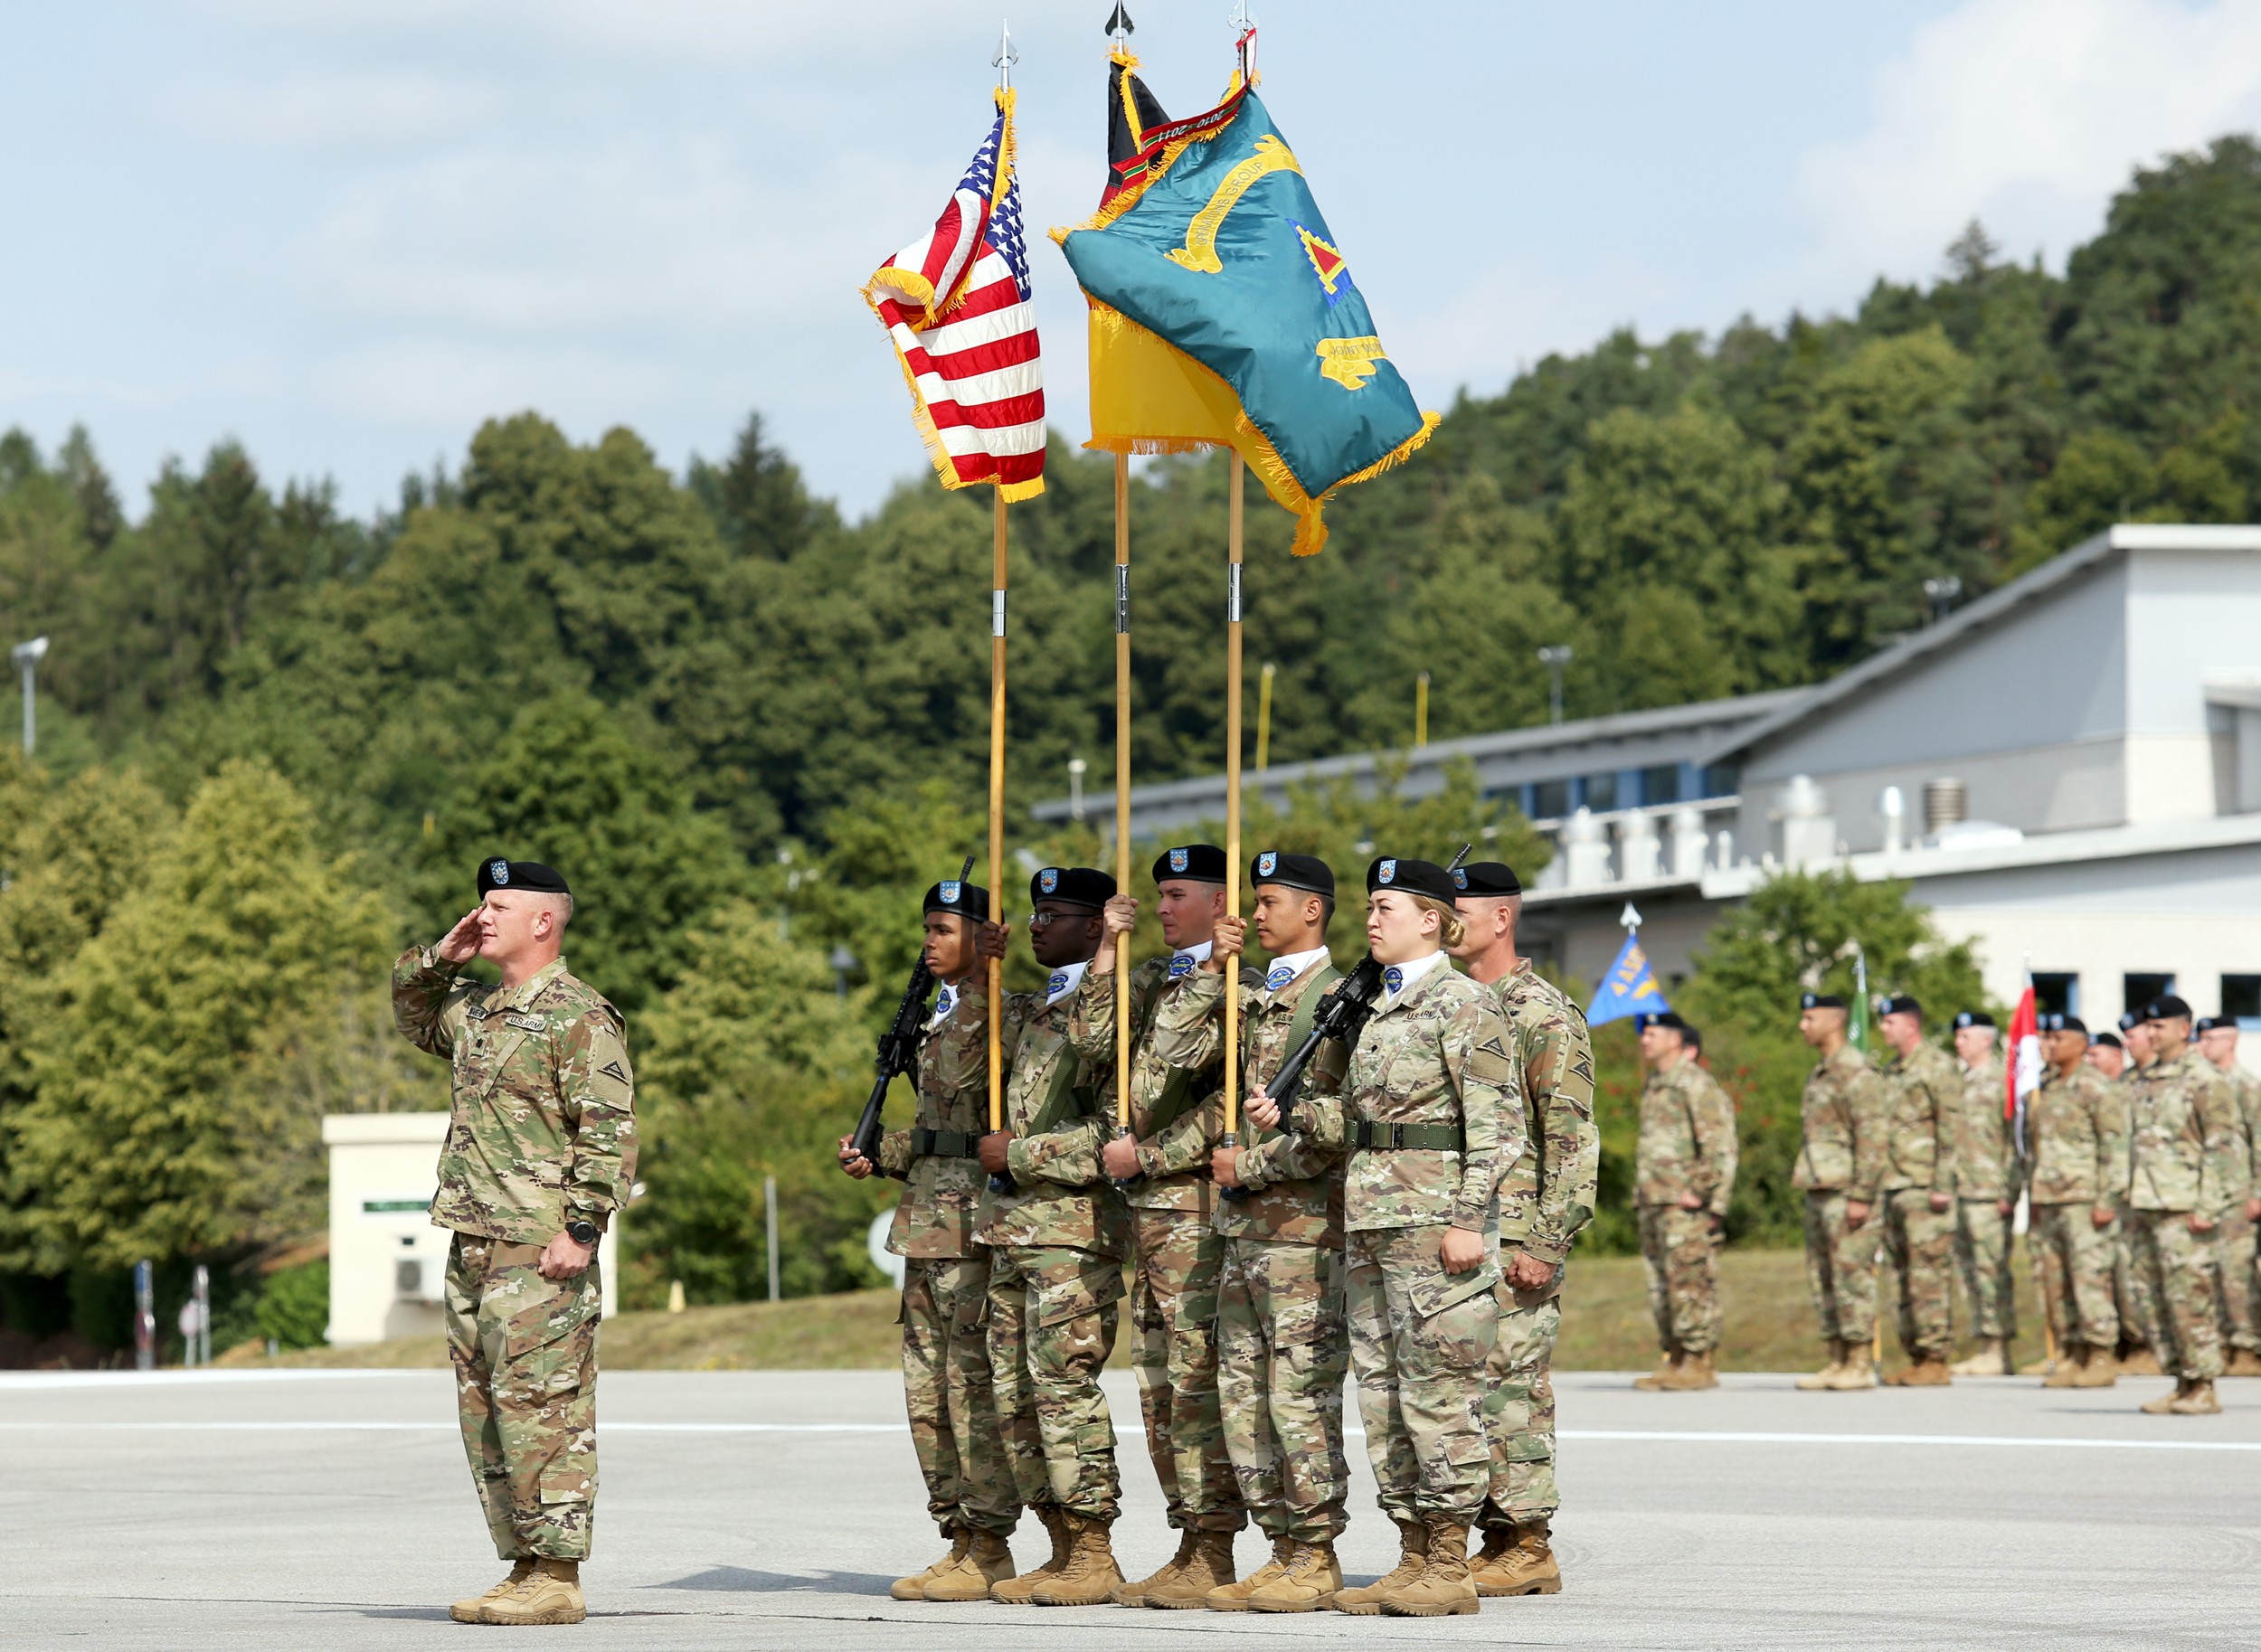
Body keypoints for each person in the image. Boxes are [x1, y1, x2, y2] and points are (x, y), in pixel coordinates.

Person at [1268, 855, 1522, 1619]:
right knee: (1382, 1395)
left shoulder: (1464, 1004)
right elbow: (1359, 1121)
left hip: (1436, 1225)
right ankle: (1413, 1549)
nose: (1372, 920)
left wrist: (1467, 1220)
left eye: (1386, 906)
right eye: (1372, 907)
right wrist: (1291, 1115)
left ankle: (1449, 1559)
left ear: (1432, 919)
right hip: (1373, 1223)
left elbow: (1498, 1127)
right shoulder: (1375, 1008)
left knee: (1441, 1392)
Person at [393, 857, 634, 1628]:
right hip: (473, 1241)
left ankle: (558, 1572)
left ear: (545, 921)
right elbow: (410, 1010)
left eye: (499, 904)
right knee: (489, 1414)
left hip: (539, 1248)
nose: (483, 914)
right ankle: (524, 1564)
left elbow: (610, 1132)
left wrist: (583, 1229)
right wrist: (441, 956)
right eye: (479, 904)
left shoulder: (580, 1015)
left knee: (546, 1407)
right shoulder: (480, 1010)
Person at [1151, 850, 1351, 1613]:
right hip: (1240, 1232)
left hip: (1302, 1232)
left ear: (1312, 910)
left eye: (1269, 901)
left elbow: (1345, 1129)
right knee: (1245, 1394)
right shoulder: (1247, 994)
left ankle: (1315, 1548)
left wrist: (1255, 1166)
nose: (1256, 913)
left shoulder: (1337, 1000)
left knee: (1298, 1393)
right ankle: (1279, 1544)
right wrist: (1212, 971)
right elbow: (1168, 1060)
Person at [1068, 844, 1244, 1608]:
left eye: (1176, 895)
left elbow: (1216, 1096)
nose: (1162, 908)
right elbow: (1092, 1051)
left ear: (1217, 901)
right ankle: (1188, 1536)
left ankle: (1214, 1543)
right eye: (1158, 895)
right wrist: (1106, 949)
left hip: (1197, 1206)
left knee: (1199, 1379)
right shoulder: (1149, 974)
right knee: (1159, 1387)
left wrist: (1151, 1152)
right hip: (1147, 1209)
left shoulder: (1239, 979)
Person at [837, 878, 1021, 1602]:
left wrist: (989, 974)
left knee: (968, 1386)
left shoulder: (997, 1010)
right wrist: (877, 1150)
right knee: (926, 1393)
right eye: (928, 930)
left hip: (975, 1224)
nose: (930, 941)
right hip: (926, 1221)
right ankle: (960, 1535)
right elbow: (932, 1130)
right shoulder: (933, 1016)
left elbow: (987, 1092)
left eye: (945, 929)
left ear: (981, 936)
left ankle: (990, 1538)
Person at [972, 866, 1132, 1604]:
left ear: (1095, 925)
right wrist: (983, 960)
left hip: (1071, 1230)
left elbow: (1114, 1126)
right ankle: (1060, 1543)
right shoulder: (1032, 1008)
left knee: (1064, 1388)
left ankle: (1095, 1546)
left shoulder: (1114, 1004)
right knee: (1013, 1393)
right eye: (1034, 913)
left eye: (1054, 913)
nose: (1036, 925)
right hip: (1012, 1231)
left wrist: (1025, 1155)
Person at [1446, 860, 1596, 1597]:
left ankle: (1530, 1542)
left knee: (1513, 1386)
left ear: (1501, 917)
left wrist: (1547, 1243)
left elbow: (1571, 1138)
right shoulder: (1454, 1004)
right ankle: (1498, 1534)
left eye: (1462, 907)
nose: (1448, 918)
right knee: (1471, 1389)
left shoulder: (1540, 1011)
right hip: (1466, 1234)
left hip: (1517, 1239)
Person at [2124, 996, 2243, 1415]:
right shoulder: (2143, 1079)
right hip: (2144, 1203)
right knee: (2151, 1299)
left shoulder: (2205, 1079)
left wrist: (2208, 1207)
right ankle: (2180, 1381)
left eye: (2161, 1027)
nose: (2152, 1033)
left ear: (2182, 1028)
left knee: (2189, 1299)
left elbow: (2222, 1146)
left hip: (2184, 1207)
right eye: (2149, 1027)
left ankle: (2204, 1385)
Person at [1630, 1011, 1736, 1392]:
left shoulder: (1695, 1083)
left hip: (1685, 1204)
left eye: (1653, 1033)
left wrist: (1705, 1195)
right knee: (1661, 1283)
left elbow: (1719, 1144)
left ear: (1676, 1039)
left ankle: (1699, 1360)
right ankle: (1675, 1357)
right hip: (1656, 1199)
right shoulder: (1657, 1084)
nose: (1645, 1040)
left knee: (1690, 1280)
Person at [1791, 993, 1887, 1392]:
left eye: (1809, 1017)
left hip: (1848, 1190)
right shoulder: (1822, 1072)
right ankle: (1837, 1357)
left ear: (1834, 1022)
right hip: (1820, 1186)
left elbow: (1873, 1136)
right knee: (1824, 1277)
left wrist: (1863, 1194)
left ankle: (1861, 1361)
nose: (1802, 1025)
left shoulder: (1857, 1073)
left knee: (1853, 1275)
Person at [2024, 1014, 2127, 1387]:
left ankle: (2100, 1354)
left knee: (2090, 1278)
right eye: (2046, 1038)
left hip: (2085, 1199)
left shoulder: (2096, 1087)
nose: (2049, 1044)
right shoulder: (2045, 1087)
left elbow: (2115, 1146)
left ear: (2082, 1044)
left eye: (2057, 1038)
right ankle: (2073, 1351)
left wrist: (2107, 1198)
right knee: (2056, 1281)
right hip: (2049, 1196)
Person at [1874, 996, 1962, 1385]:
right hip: (1893, 1183)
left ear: (1912, 1025)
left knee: (1928, 1274)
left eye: (1890, 1022)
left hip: (1925, 1185)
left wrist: (1943, 1183)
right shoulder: (1891, 1070)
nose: (1883, 1029)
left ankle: (1935, 1357)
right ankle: (1915, 1353)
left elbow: (1952, 1127)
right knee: (1901, 1275)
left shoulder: (1937, 1067)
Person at [1946, 1010, 2019, 1376]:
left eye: (1964, 1037)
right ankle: (1981, 1343)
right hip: (1959, 1188)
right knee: (1967, 1271)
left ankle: (1998, 1347)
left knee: (1992, 1271)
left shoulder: (2002, 1081)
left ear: (1986, 1040)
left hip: (1990, 1191)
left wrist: (2011, 1190)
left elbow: (2016, 1143)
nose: (1958, 1043)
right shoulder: (1957, 1080)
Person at [2092, 1024, 2164, 1374]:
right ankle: (2126, 1343)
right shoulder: (2118, 1089)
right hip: (2123, 1190)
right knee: (2120, 1272)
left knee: (2145, 1270)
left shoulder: (2158, 1083)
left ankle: (2148, 1346)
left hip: (2155, 1190)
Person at [2194, 1016, 2261, 1376]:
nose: (2204, 1045)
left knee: (2238, 1273)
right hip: (2209, 1193)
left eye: (2210, 1038)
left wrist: (2258, 1192)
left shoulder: (2247, 1086)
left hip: (2238, 1193)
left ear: (2230, 1041)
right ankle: (2220, 1342)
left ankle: (2248, 1346)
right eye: (2200, 1039)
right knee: (2211, 1271)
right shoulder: (2204, 1084)